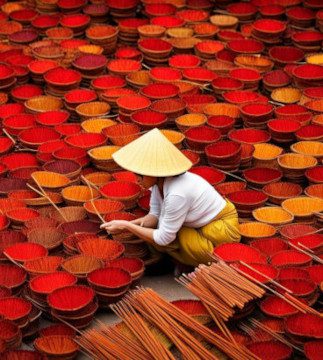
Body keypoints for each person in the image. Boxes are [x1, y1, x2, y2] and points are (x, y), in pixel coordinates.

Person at [101, 128, 240, 267]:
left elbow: (163, 238)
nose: (136, 179)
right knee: (162, 229)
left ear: (154, 172)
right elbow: (155, 215)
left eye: (140, 174)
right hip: (199, 225)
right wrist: (126, 226)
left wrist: (127, 226)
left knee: (173, 239)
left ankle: (199, 263)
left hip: (221, 230)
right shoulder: (158, 184)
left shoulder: (177, 194)